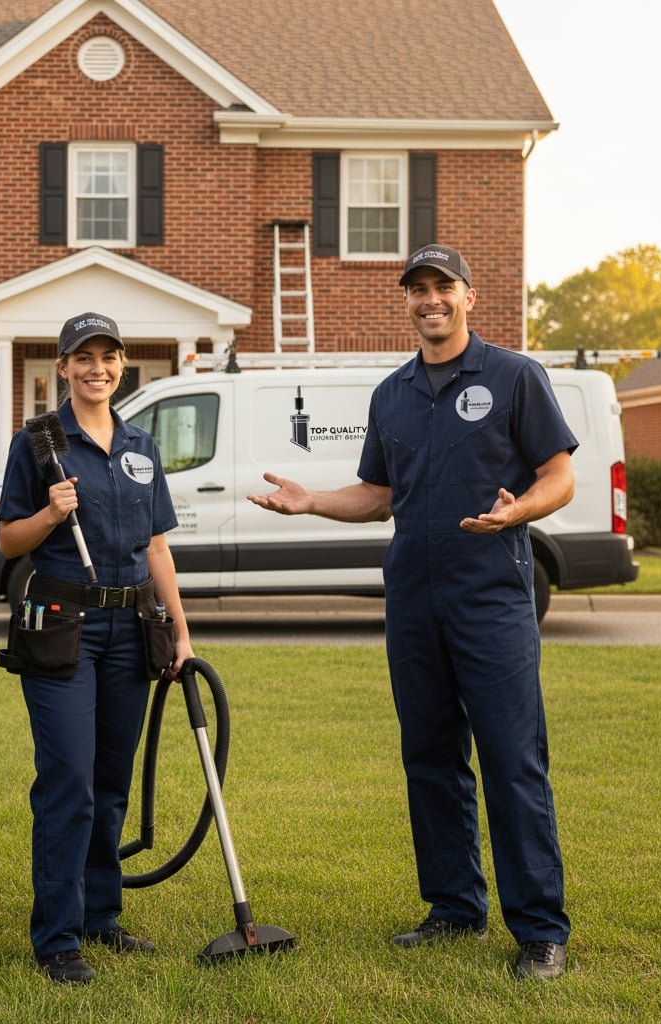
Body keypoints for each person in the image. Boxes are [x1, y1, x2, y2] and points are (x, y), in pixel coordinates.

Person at [249, 245, 574, 981]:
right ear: (408, 302)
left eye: (443, 287)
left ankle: (541, 930)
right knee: (429, 757)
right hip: (414, 601)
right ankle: (455, 907)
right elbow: (379, 494)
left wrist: (519, 509)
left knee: (512, 760)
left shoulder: (515, 377)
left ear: (469, 295)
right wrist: (312, 501)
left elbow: (560, 474)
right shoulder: (392, 393)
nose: (430, 299)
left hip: (490, 596)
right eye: (418, 289)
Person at [0, 312, 195, 985]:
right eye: (84, 358)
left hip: (129, 628)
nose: (97, 369)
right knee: (69, 783)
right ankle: (56, 937)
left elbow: (157, 545)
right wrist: (50, 515)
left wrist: (180, 628)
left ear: (121, 364)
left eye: (108, 357)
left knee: (111, 781)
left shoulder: (142, 444)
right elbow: (6, 541)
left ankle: (100, 916)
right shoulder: (39, 444)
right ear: (62, 367)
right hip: (61, 627)